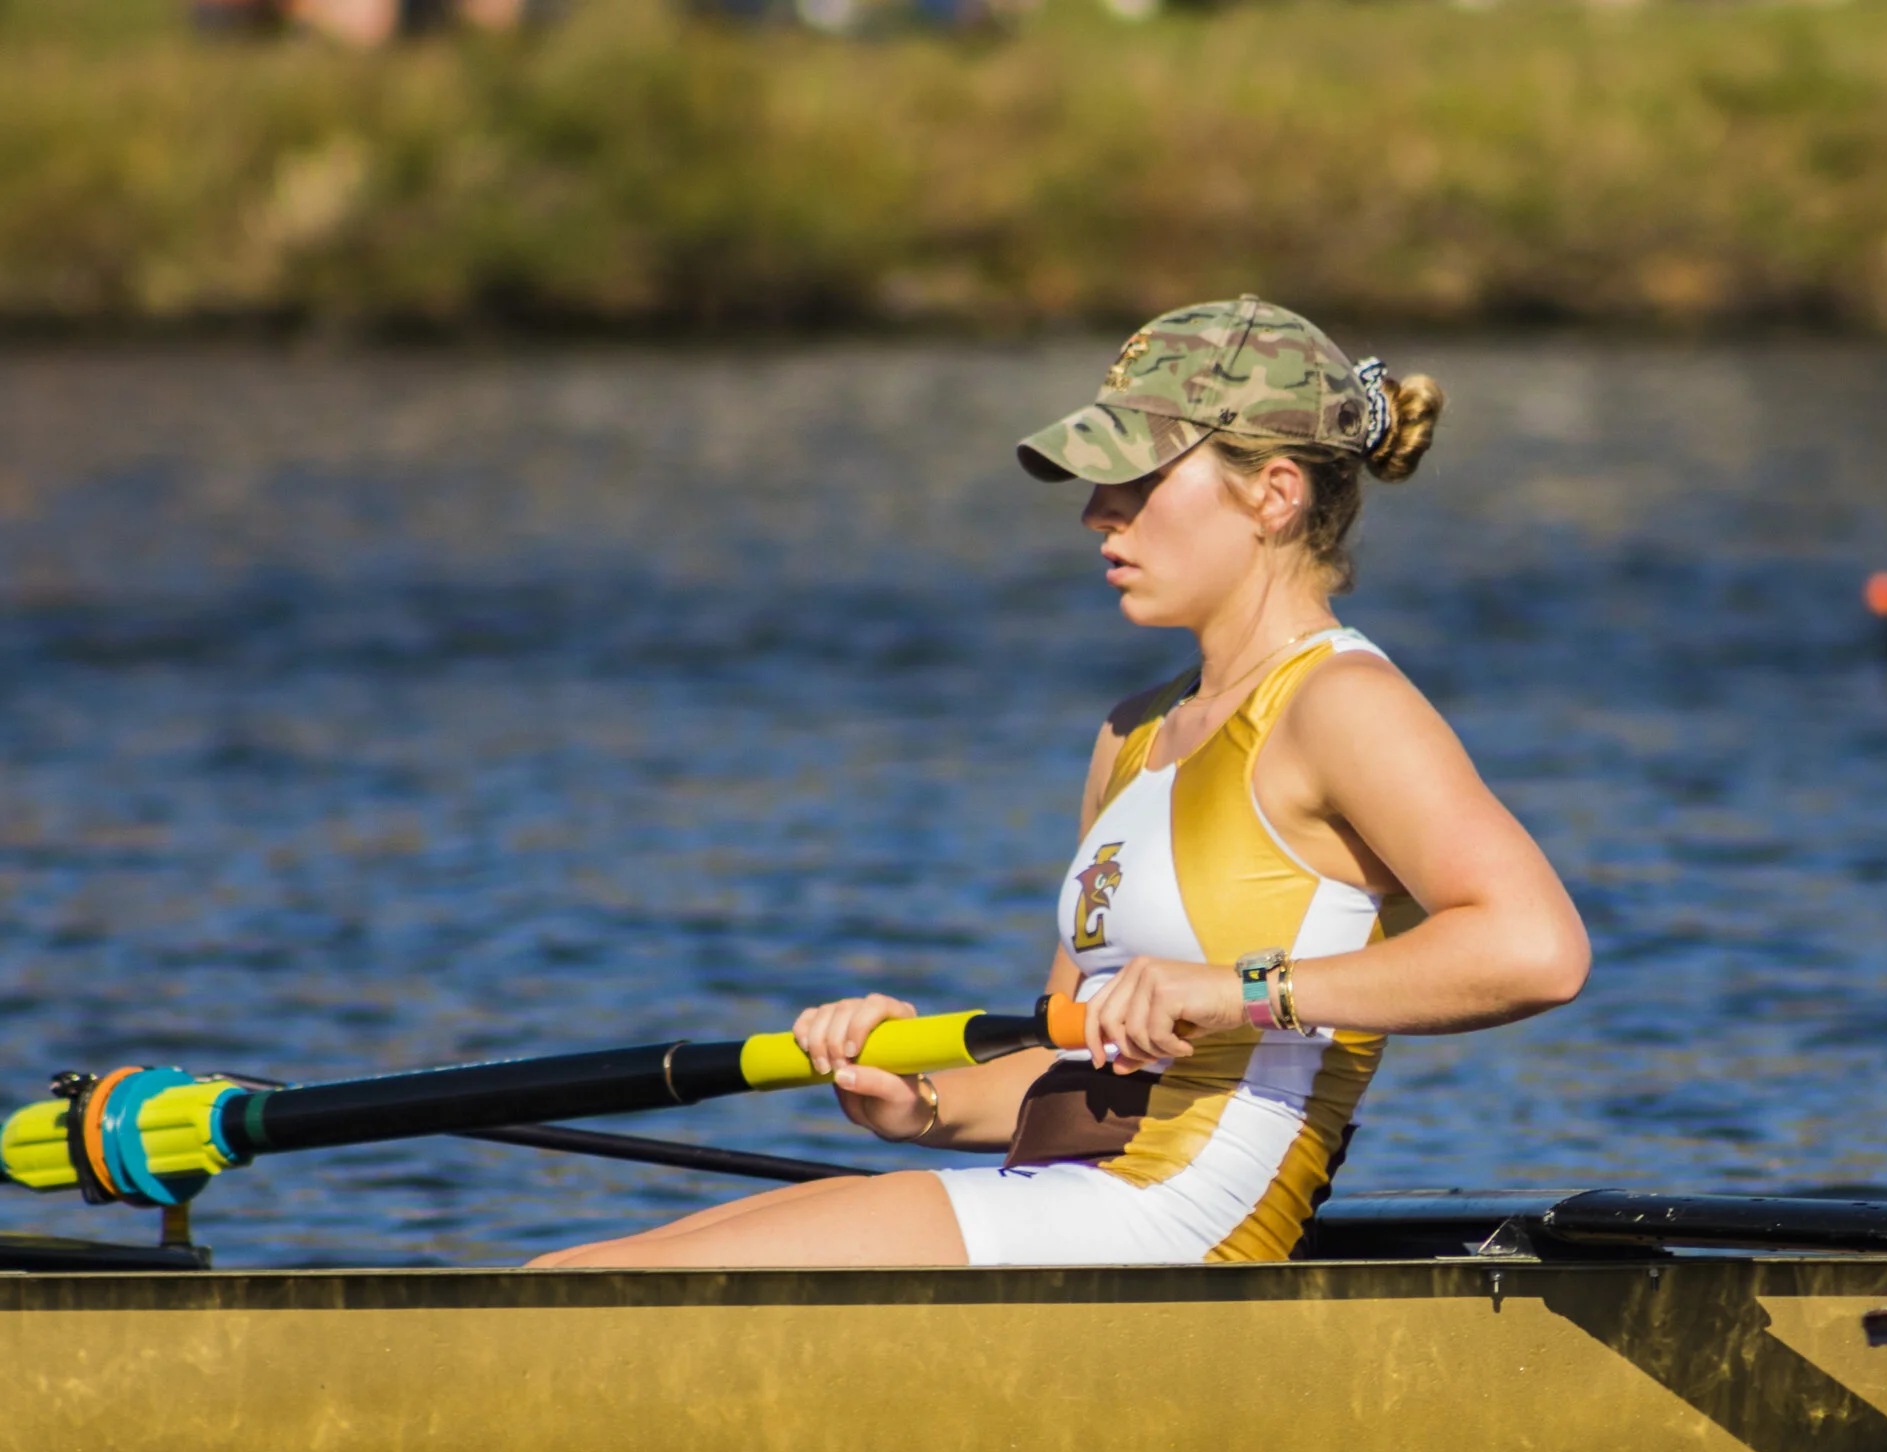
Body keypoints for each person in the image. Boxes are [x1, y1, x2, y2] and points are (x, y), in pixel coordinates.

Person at [531, 296, 1589, 1269]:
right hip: (1065, 1190)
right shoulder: (1132, 733)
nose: (1097, 514)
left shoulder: (1340, 704)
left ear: (1272, 494)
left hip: (1182, 1220)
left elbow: (1533, 950)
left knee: (591, 1292)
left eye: (1136, 482)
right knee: (562, 1277)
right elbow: (1063, 1060)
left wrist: (1236, 990)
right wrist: (920, 1103)